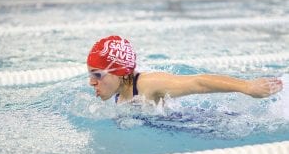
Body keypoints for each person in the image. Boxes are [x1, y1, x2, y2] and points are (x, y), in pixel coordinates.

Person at [87, 35, 283, 104]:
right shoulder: (118, 91)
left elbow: (198, 82)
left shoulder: (148, 84)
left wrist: (247, 87)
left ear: (120, 71)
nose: (91, 82)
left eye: (97, 74)